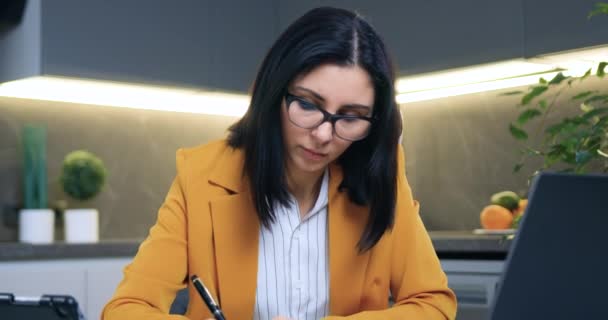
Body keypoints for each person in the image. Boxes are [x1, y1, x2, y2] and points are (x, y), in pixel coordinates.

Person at [102, 6, 457, 320]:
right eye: (307, 105)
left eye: (350, 117)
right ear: (274, 94)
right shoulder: (201, 177)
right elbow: (126, 309)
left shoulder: (380, 179)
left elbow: (433, 305)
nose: (322, 135)